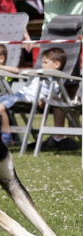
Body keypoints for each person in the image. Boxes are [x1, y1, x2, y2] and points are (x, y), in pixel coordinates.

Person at [0, 48, 66, 146]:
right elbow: (19, 71)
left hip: (28, 99)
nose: (42, 65)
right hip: (19, 94)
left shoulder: (56, 79)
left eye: (45, 62)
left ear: (57, 64)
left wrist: (44, 100)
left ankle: (6, 137)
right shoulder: (40, 73)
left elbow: (55, 95)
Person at [38, 1, 83, 150]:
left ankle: (71, 137)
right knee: (56, 87)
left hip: (75, 27)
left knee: (71, 88)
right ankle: (58, 137)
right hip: (50, 30)